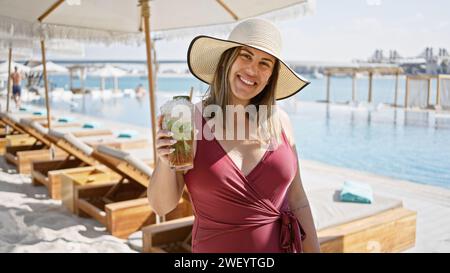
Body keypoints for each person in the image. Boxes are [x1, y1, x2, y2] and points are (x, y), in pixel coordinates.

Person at [148, 18, 320, 253]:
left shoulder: (282, 122)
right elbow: (161, 206)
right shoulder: (189, 122)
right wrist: (164, 160)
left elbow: (297, 199)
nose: (252, 70)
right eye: (245, 55)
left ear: (271, 76)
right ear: (226, 60)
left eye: (265, 63)